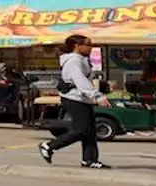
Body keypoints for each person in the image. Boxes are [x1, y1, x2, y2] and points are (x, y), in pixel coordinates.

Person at [39, 34, 110, 169]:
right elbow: (80, 81)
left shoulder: (81, 59)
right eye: (88, 44)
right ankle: (49, 146)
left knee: (90, 130)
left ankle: (89, 160)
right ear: (77, 46)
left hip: (82, 99)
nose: (91, 47)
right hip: (74, 98)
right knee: (82, 129)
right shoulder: (73, 61)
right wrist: (97, 96)